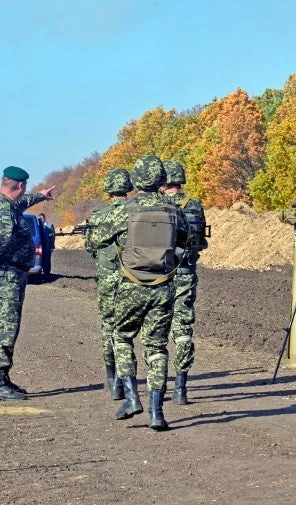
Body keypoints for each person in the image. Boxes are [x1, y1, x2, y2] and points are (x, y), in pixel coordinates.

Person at [93, 155, 189, 430]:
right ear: (161, 180)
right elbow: (188, 243)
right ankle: (156, 413)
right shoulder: (174, 211)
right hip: (163, 287)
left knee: (122, 338)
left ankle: (132, 397)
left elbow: (97, 240)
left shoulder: (124, 210)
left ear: (136, 181)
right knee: (157, 347)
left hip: (130, 286)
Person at [0, 166, 55, 400]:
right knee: (5, 328)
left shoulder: (8, 204)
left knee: (9, 326)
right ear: (18, 186)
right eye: (24, 187)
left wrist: (41, 195)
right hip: (4, 275)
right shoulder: (0, 209)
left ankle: (3, 379)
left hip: (11, 274)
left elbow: (23, 201)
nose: (25, 191)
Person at [159, 160, 208, 405]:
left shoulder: (156, 206)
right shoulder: (195, 205)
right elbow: (200, 242)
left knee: (157, 330)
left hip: (158, 275)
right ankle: (181, 388)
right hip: (186, 272)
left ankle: (158, 386)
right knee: (183, 329)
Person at [84, 168, 133, 400]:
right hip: (135, 279)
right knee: (131, 331)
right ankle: (128, 378)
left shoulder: (99, 215)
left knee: (109, 327)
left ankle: (113, 379)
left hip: (108, 279)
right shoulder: (137, 211)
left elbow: (90, 247)